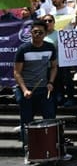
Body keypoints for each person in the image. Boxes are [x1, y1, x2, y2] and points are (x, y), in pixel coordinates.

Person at [13, 20, 58, 149]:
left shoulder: (50, 47)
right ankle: (28, 149)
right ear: (30, 33)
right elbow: (17, 72)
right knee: (26, 121)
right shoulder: (23, 49)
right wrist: (24, 89)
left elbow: (54, 67)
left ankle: (51, 147)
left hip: (44, 89)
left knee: (50, 118)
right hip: (26, 89)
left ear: (45, 34)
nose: (37, 34)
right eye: (35, 32)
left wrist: (51, 82)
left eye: (40, 32)